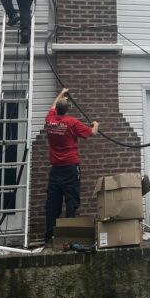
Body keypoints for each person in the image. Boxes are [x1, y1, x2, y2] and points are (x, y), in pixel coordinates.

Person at [44, 88, 98, 242]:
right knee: (71, 201)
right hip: (70, 168)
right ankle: (68, 237)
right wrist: (96, 124)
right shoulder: (72, 122)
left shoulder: (50, 120)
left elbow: (53, 105)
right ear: (67, 109)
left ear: (57, 110)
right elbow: (92, 133)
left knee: (53, 203)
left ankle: (49, 237)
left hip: (55, 170)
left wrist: (62, 92)